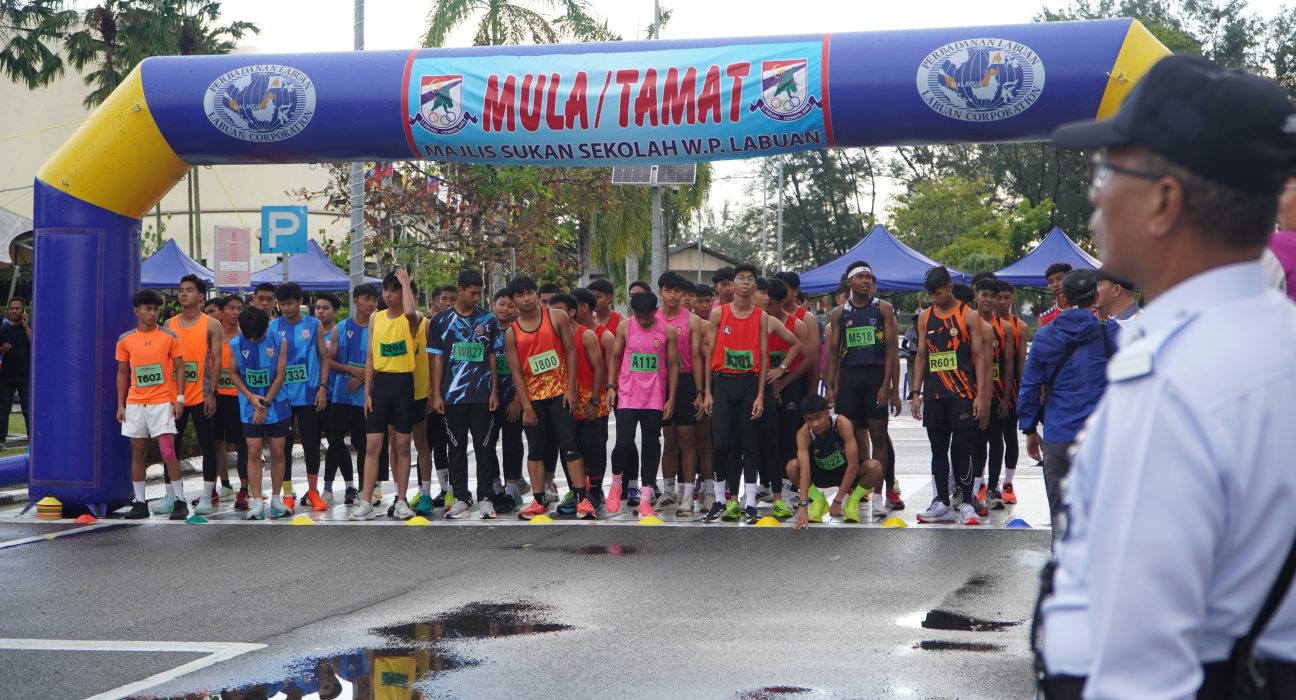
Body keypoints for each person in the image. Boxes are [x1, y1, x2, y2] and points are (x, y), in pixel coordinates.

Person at [1038, 54, 1296, 698]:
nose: (1096, 194)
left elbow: (1140, 672)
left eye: (1108, 170)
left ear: (1164, 201)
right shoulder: (1273, 339)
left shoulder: (1177, 385)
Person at [1018, 268, 1116, 537]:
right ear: (1096, 296)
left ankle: (1063, 563)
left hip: (1059, 434)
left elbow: (1030, 386)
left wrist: (1029, 428)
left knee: (1061, 517)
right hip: (1100, 437)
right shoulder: (1111, 333)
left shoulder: (1045, 335)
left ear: (1063, 296)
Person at [701, 263, 800, 523]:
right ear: (733, 284)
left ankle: (751, 503)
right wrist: (707, 392)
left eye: (749, 279)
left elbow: (765, 357)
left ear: (755, 285)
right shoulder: (718, 314)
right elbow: (709, 352)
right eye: (741, 278)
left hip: (749, 384)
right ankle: (722, 500)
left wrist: (761, 393)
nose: (745, 282)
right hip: (723, 383)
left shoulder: (762, 318)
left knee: (750, 446)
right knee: (721, 444)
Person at [503, 276, 596, 520]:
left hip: (560, 394)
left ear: (536, 294)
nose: (526, 298)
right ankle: (538, 500)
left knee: (569, 444)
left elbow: (571, 352)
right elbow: (516, 372)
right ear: (513, 301)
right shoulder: (512, 333)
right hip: (533, 398)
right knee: (535, 448)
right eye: (520, 295)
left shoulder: (556, 317)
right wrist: (526, 406)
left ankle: (582, 499)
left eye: (530, 293)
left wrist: (571, 389)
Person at [911, 266, 991, 525]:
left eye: (938, 293)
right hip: (935, 394)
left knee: (963, 448)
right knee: (938, 449)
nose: (935, 298)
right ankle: (942, 503)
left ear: (949, 287)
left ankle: (967, 503)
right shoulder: (925, 317)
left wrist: (981, 395)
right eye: (931, 294)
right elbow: (921, 356)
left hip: (962, 393)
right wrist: (916, 392)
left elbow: (980, 358)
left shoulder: (969, 316)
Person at [823, 262, 902, 512]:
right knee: (851, 437)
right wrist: (830, 385)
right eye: (861, 277)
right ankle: (854, 491)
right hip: (849, 377)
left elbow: (892, 349)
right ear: (850, 282)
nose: (866, 281)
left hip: (874, 376)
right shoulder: (840, 313)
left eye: (869, 277)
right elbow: (833, 352)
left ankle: (879, 495)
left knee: (878, 435)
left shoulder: (883, 308)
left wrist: (889, 385)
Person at [429, 270, 499, 519]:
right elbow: (437, 359)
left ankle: (486, 498)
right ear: (461, 290)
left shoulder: (488, 319)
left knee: (484, 447)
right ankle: (461, 497)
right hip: (453, 396)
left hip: (482, 395)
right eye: (473, 293)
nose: (477, 297)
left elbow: (492, 355)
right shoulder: (440, 321)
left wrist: (494, 390)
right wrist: (436, 393)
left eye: (480, 293)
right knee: (456, 447)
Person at [350, 270, 420, 521]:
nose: (388, 295)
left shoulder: (414, 318)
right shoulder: (375, 319)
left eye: (394, 290)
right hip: (381, 385)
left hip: (403, 384)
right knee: (372, 445)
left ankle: (401, 500)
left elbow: (410, 313)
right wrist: (367, 392)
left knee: (402, 445)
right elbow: (370, 357)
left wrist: (406, 282)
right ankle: (366, 501)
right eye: (386, 290)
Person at [116, 290, 189, 520]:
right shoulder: (125, 339)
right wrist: (120, 405)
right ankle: (140, 503)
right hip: (135, 404)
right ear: (137, 311)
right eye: (148, 309)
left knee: (168, 451)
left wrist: (179, 399)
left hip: (162, 403)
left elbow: (180, 368)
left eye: (156, 309)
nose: (153, 313)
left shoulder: (169, 336)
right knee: (138, 453)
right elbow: (122, 373)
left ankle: (180, 501)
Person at [607, 291, 678, 519]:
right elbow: (615, 356)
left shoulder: (667, 331)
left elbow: (673, 365)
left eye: (647, 317)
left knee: (651, 445)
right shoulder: (625, 327)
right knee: (623, 442)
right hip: (628, 394)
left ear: (656, 311)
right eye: (639, 316)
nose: (643, 321)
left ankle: (646, 497)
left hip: (654, 397)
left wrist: (671, 398)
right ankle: (616, 484)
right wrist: (611, 386)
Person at [162, 275, 223, 515]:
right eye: (180, 290)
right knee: (170, 446)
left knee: (207, 445)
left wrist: (212, 392)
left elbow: (217, 359)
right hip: (175, 395)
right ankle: (171, 496)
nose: (183, 294)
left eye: (189, 290)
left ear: (200, 296)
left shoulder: (211, 324)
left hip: (201, 394)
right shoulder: (169, 324)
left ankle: (207, 496)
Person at [228, 306, 292, 520]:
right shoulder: (236, 344)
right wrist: (250, 397)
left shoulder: (279, 341)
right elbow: (234, 374)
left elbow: (280, 375)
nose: (254, 340)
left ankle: (276, 498)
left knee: (278, 451)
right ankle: (256, 501)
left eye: (258, 336)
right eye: (250, 337)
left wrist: (264, 405)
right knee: (253, 451)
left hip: (277, 403)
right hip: (249, 405)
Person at [270, 283, 330, 512]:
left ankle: (313, 491)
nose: (286, 308)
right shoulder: (273, 327)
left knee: (311, 445)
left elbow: (324, 357)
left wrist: (322, 387)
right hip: (282, 397)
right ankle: (287, 493)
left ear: (300, 302)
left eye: (290, 303)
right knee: (282, 447)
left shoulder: (313, 325)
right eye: (282, 304)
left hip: (308, 395)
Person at [547, 292, 608, 515]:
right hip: (565, 400)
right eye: (552, 310)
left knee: (592, 447)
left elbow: (599, 368)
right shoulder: (551, 337)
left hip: (589, 400)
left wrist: (594, 400)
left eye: (560, 309)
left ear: (572, 311)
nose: (556, 314)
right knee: (569, 448)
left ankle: (596, 492)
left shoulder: (586, 335)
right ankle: (576, 490)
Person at [760, 277, 812, 519]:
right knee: (766, 437)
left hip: (789, 385)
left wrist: (782, 381)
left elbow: (807, 361)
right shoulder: (760, 322)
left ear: (781, 301)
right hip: (765, 386)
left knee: (789, 438)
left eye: (770, 300)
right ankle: (768, 484)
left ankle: (791, 487)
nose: (766, 303)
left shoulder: (797, 324)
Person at [789, 395, 880, 529]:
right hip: (822, 474)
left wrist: (838, 500)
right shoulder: (803, 434)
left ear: (827, 412)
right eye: (809, 420)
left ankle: (852, 501)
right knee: (792, 466)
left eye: (818, 417)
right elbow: (804, 472)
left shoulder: (842, 424)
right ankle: (819, 501)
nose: (815, 424)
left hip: (846, 472)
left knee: (874, 467)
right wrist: (803, 506)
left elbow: (853, 465)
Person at [656, 272, 704, 516]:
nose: (673, 295)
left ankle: (687, 496)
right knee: (669, 439)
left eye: (677, 291)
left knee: (687, 439)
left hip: (686, 381)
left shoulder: (692, 320)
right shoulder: (652, 318)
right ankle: (668, 493)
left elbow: (696, 357)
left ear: (684, 293)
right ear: (660, 292)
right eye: (668, 290)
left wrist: (700, 391)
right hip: (660, 382)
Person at [325, 284, 377, 507]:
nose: (371, 303)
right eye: (366, 299)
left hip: (366, 396)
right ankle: (327, 489)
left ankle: (365, 489)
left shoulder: (378, 328)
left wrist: (363, 377)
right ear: (355, 301)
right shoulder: (341, 328)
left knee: (364, 443)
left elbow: (382, 361)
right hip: (342, 395)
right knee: (335, 441)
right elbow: (329, 361)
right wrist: (350, 369)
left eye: (374, 299)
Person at [971, 277, 1015, 510]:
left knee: (996, 441)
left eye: (994, 296)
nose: (990, 300)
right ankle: (975, 487)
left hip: (997, 394)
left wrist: (1007, 396)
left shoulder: (1005, 327)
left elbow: (1008, 365)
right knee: (976, 443)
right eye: (985, 295)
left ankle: (993, 488)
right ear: (976, 296)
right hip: (972, 393)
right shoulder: (969, 322)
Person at [482, 289, 524, 516]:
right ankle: (496, 487)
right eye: (501, 304)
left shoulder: (519, 331)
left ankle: (511, 490)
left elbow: (525, 369)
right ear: (493, 304)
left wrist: (518, 399)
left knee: (512, 444)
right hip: (488, 399)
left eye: (510, 305)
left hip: (513, 400)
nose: (505, 309)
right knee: (486, 444)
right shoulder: (484, 331)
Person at [213, 295, 248, 509]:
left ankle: (244, 491)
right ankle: (219, 487)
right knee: (215, 443)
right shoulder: (213, 336)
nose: (236, 313)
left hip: (238, 397)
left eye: (239, 309)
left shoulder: (244, 337)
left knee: (241, 444)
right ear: (221, 311)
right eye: (231, 308)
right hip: (215, 396)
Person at [994, 281, 1027, 505]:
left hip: (1010, 389)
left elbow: (1021, 362)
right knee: (987, 440)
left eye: (1007, 298)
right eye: (999, 297)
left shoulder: (1020, 326)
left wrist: (1022, 390)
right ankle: (986, 483)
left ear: (1012, 299)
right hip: (986, 388)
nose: (1002, 302)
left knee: (1010, 437)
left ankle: (1008, 483)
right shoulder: (981, 322)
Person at [0, 297, 32, 448]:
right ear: (8, 310)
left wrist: (26, 326)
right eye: (12, 308)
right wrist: (2, 349)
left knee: (28, 409)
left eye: (17, 308)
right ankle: (1, 441)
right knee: (3, 408)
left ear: (23, 310)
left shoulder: (29, 327)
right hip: (7, 375)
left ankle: (32, 441)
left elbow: (35, 343)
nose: (14, 311)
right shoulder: (3, 330)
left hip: (26, 375)